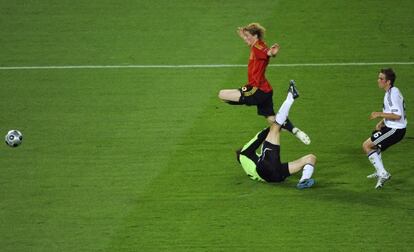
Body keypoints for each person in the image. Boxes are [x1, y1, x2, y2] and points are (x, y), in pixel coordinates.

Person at [218, 23, 311, 145]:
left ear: (255, 36)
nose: (245, 38)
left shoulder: (259, 47)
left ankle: (248, 101)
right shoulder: (257, 44)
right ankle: (295, 130)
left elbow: (268, 52)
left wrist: (273, 52)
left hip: (256, 90)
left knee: (222, 95)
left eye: (247, 36)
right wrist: (244, 35)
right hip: (265, 90)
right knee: (273, 122)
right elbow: (262, 48)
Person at [236, 81, 316, 189]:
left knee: (311, 158)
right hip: (266, 169)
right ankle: (290, 96)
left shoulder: (249, 169)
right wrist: (271, 127)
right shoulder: (243, 153)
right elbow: (258, 138)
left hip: (274, 176)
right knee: (275, 128)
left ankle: (304, 180)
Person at [362, 68, 407, 189]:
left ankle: (383, 173)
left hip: (395, 130)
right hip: (391, 127)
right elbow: (392, 111)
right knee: (373, 142)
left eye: (381, 79)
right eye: (378, 78)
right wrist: (382, 122)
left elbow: (398, 115)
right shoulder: (391, 92)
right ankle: (379, 171)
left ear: (388, 82)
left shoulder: (392, 95)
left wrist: (379, 114)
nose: (378, 80)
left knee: (366, 146)